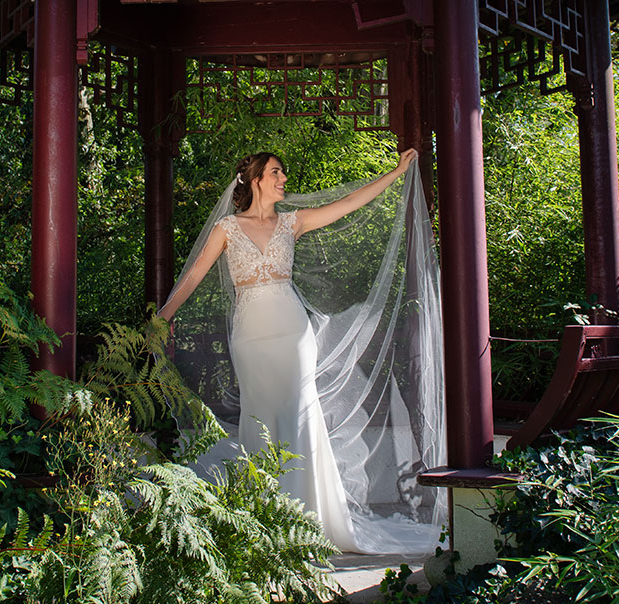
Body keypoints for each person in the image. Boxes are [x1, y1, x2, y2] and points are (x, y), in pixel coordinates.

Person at [157, 149, 445, 555]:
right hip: (250, 339)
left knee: (297, 416)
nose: (283, 179)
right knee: (259, 419)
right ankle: (264, 518)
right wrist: (163, 316)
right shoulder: (228, 228)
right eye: (276, 172)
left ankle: (307, 519)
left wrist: (396, 172)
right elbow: (194, 274)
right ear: (255, 179)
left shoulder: (292, 223)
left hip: (293, 334)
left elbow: (348, 203)